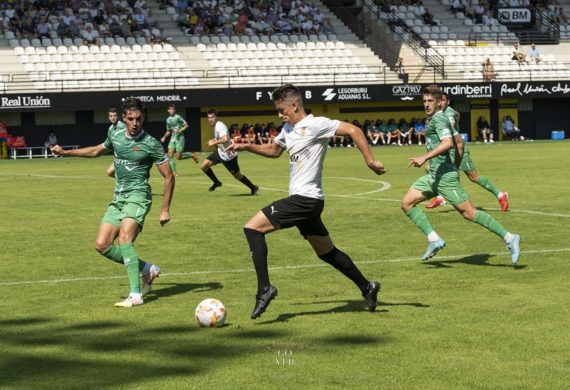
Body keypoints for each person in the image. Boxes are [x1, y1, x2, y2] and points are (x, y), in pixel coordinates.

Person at [226, 84, 386, 319]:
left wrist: (370, 161)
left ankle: (264, 289)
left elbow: (353, 130)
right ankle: (367, 286)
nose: (279, 115)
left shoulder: (316, 124)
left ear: (294, 105)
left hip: (305, 199)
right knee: (326, 252)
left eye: (282, 110)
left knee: (252, 228)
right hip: (306, 201)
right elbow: (273, 150)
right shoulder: (288, 128)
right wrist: (247, 145)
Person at [50, 97, 175, 307]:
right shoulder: (115, 135)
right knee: (102, 244)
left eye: (139, 119)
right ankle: (147, 269)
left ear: (142, 118)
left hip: (138, 195)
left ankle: (135, 295)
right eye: (131, 119)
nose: (135, 123)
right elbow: (97, 151)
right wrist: (65, 152)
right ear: (123, 118)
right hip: (118, 197)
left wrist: (165, 209)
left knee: (125, 240)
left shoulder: (151, 144)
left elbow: (169, 176)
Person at [401, 85, 521, 264]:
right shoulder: (436, 118)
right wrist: (453, 165)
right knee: (407, 204)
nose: (426, 104)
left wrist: (425, 158)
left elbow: (448, 143)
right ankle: (434, 239)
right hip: (434, 176)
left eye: (430, 101)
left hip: (445, 178)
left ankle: (510, 238)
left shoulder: (439, 120)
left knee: (470, 214)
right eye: (424, 101)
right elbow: (459, 142)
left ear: (439, 102)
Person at [426, 94, 509, 212]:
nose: (441, 103)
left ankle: (500, 195)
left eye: (443, 100)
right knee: (435, 170)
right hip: (448, 150)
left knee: (473, 177)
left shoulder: (449, 113)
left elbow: (451, 125)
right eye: (439, 100)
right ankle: (441, 197)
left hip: (458, 150)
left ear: (448, 102)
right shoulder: (438, 114)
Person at [200, 109, 259, 194]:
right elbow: (221, 137)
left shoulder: (220, 126)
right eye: (209, 118)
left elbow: (225, 139)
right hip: (220, 152)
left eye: (212, 117)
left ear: (216, 117)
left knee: (237, 176)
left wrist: (214, 142)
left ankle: (253, 187)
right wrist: (214, 140)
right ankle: (217, 182)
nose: (210, 119)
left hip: (229, 156)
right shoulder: (216, 126)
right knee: (204, 166)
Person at [160, 105, 199, 176]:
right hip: (173, 138)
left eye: (173, 109)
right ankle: (174, 172)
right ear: (168, 110)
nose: (172, 110)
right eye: (170, 109)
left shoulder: (178, 117)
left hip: (180, 138)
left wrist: (180, 130)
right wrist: (164, 137)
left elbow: (187, 125)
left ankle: (192, 155)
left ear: (174, 110)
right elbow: (168, 130)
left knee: (178, 157)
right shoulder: (168, 120)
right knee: (170, 154)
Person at [105, 107, 127, 177]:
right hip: (119, 158)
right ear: (108, 117)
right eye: (111, 116)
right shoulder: (110, 129)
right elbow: (112, 144)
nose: (113, 118)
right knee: (109, 172)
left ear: (118, 116)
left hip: (127, 157)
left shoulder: (124, 127)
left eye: (115, 115)